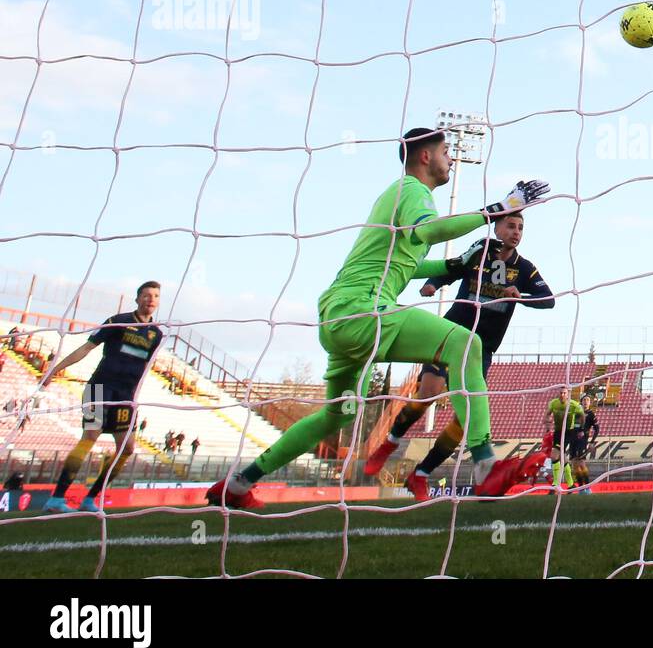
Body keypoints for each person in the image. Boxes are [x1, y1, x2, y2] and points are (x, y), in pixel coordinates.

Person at [205, 127, 550, 508]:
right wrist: (495, 210)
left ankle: (238, 484)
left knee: (334, 417)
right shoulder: (412, 191)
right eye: (446, 152)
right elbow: (431, 230)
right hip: (363, 309)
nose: (450, 158)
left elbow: (410, 264)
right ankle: (486, 465)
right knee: (466, 343)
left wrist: (453, 264)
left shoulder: (397, 199)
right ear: (425, 157)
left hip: (339, 317)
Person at [363, 212, 555, 500]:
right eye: (510, 226)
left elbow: (549, 299)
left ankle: (421, 475)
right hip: (448, 336)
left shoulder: (524, 268)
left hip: (482, 349)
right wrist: (434, 283)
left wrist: (522, 298)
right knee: (429, 391)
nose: (516, 232)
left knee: (465, 419)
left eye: (520, 228)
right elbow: (453, 267)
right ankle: (389, 443)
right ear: (497, 227)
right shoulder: (481, 249)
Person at [43, 281, 164, 513]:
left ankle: (91, 498)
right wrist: (55, 369)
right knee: (90, 437)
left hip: (126, 396)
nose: (151, 299)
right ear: (137, 298)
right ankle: (56, 499)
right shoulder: (118, 321)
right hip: (99, 387)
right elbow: (86, 348)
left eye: (156, 296)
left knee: (127, 448)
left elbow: (145, 368)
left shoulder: (156, 334)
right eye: (147, 295)